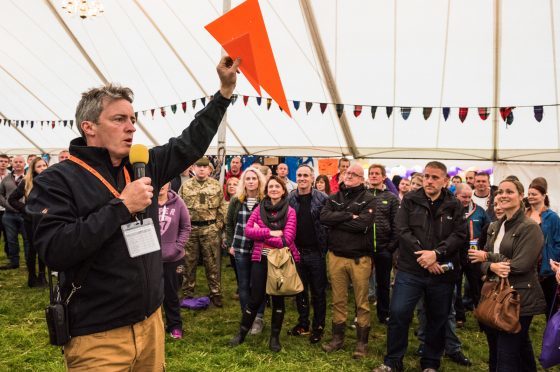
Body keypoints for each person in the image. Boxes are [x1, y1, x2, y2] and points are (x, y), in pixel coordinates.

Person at [26, 56, 239, 370]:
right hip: (98, 335)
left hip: (150, 322)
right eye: (119, 119)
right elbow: (56, 250)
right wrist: (121, 207)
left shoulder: (143, 164)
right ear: (89, 127)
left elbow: (189, 143)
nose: (131, 127)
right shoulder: (57, 180)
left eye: (132, 118)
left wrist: (223, 92)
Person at [374, 161, 466, 372]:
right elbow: (402, 229)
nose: (429, 181)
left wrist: (436, 254)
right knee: (398, 313)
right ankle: (393, 361)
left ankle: (431, 363)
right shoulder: (410, 200)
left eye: (435, 177)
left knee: (437, 317)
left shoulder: (454, 204)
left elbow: (459, 235)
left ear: (445, 180)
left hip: (440, 272)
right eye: (426, 176)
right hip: (411, 269)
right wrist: (424, 255)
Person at [469, 178, 545, 372]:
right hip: (494, 294)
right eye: (500, 191)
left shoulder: (530, 227)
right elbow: (479, 262)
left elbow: (520, 265)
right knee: (505, 350)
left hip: (519, 298)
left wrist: (488, 257)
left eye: (509, 192)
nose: (503, 195)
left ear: (521, 196)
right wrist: (491, 266)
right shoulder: (494, 226)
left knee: (507, 354)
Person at [229, 176, 299, 352]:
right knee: (255, 298)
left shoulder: (290, 211)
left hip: (280, 260)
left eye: (277, 186)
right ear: (267, 190)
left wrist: (264, 235)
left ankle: (274, 338)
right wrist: (271, 232)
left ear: (283, 191)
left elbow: (287, 239)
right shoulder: (259, 209)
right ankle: (242, 333)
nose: (274, 189)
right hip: (260, 258)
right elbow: (248, 231)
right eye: (271, 187)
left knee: (278, 299)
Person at [320, 163, 376, 359]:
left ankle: (361, 343)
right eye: (347, 172)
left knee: (362, 302)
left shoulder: (369, 199)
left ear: (362, 179)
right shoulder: (334, 197)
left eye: (355, 174)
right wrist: (347, 216)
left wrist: (338, 221)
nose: (349, 175)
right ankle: (338, 338)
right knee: (338, 300)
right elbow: (324, 217)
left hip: (359, 258)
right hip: (336, 256)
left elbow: (362, 224)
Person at [287, 164, 328, 343]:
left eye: (306, 175)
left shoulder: (322, 198)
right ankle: (303, 323)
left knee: (318, 292)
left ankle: (318, 326)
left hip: (316, 252)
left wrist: (324, 246)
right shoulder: (290, 198)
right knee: (300, 290)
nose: (302, 178)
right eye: (299, 175)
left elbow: (327, 224)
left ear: (312, 178)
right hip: (296, 252)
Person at [179, 157, 227, 307]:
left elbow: (222, 206)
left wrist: (218, 225)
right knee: (189, 262)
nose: (201, 169)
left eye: (204, 167)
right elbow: (179, 207)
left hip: (210, 229)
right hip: (191, 229)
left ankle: (215, 293)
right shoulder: (185, 186)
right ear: (193, 168)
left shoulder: (215, 186)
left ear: (209, 169)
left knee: (212, 262)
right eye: (198, 166)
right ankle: (187, 292)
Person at [225, 168, 267, 335]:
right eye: (247, 178)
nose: (251, 181)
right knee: (243, 284)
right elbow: (229, 224)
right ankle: (247, 316)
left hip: (260, 248)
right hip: (240, 247)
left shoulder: (265, 200)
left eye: (254, 178)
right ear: (244, 182)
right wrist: (230, 244)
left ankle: (259, 318)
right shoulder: (237, 200)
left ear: (259, 181)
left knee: (258, 284)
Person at [157, 182, 191, 340]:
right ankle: (154, 328)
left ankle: (175, 325)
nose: (161, 185)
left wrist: (177, 247)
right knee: (151, 295)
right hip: (150, 258)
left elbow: (186, 227)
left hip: (173, 258)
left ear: (169, 183)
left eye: (165, 181)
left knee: (171, 293)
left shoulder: (178, 202)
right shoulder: (146, 202)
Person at [7, 157, 48, 287]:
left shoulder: (51, 181)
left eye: (44, 165)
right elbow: (12, 199)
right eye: (39, 166)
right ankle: (32, 277)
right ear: (33, 169)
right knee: (32, 248)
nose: (43, 168)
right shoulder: (27, 181)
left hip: (45, 220)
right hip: (30, 221)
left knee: (42, 247)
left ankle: (42, 276)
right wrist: (26, 209)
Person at [367, 164, 399, 325]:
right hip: (364, 248)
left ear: (383, 177)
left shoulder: (391, 197)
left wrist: (390, 247)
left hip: (383, 247)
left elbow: (397, 225)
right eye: (371, 173)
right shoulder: (363, 195)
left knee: (383, 283)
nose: (373, 176)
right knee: (362, 284)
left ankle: (383, 313)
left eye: (376, 174)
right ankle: (361, 314)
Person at [525, 177, 560, 320]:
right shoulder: (523, 214)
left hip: (546, 267)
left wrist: (553, 261)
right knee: (526, 305)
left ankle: (551, 336)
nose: (531, 197)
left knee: (550, 305)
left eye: (534, 194)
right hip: (527, 264)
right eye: (529, 194)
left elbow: (558, 242)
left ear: (544, 196)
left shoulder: (552, 217)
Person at [0, 155, 29, 270]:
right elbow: (0, 194)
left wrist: (25, 208)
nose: (17, 164)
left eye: (20, 162)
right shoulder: (6, 178)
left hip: (25, 214)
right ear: (11, 164)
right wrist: (8, 205)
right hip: (9, 215)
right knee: (11, 240)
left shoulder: (28, 178)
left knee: (27, 239)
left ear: (24, 164)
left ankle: (28, 262)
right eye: (15, 162)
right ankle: (14, 262)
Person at [0, 154, 10, 257]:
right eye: (1, 161)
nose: (3, 163)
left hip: (7, 209)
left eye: (5, 161)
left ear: (8, 163)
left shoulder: (11, 176)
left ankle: (9, 253)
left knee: (8, 234)